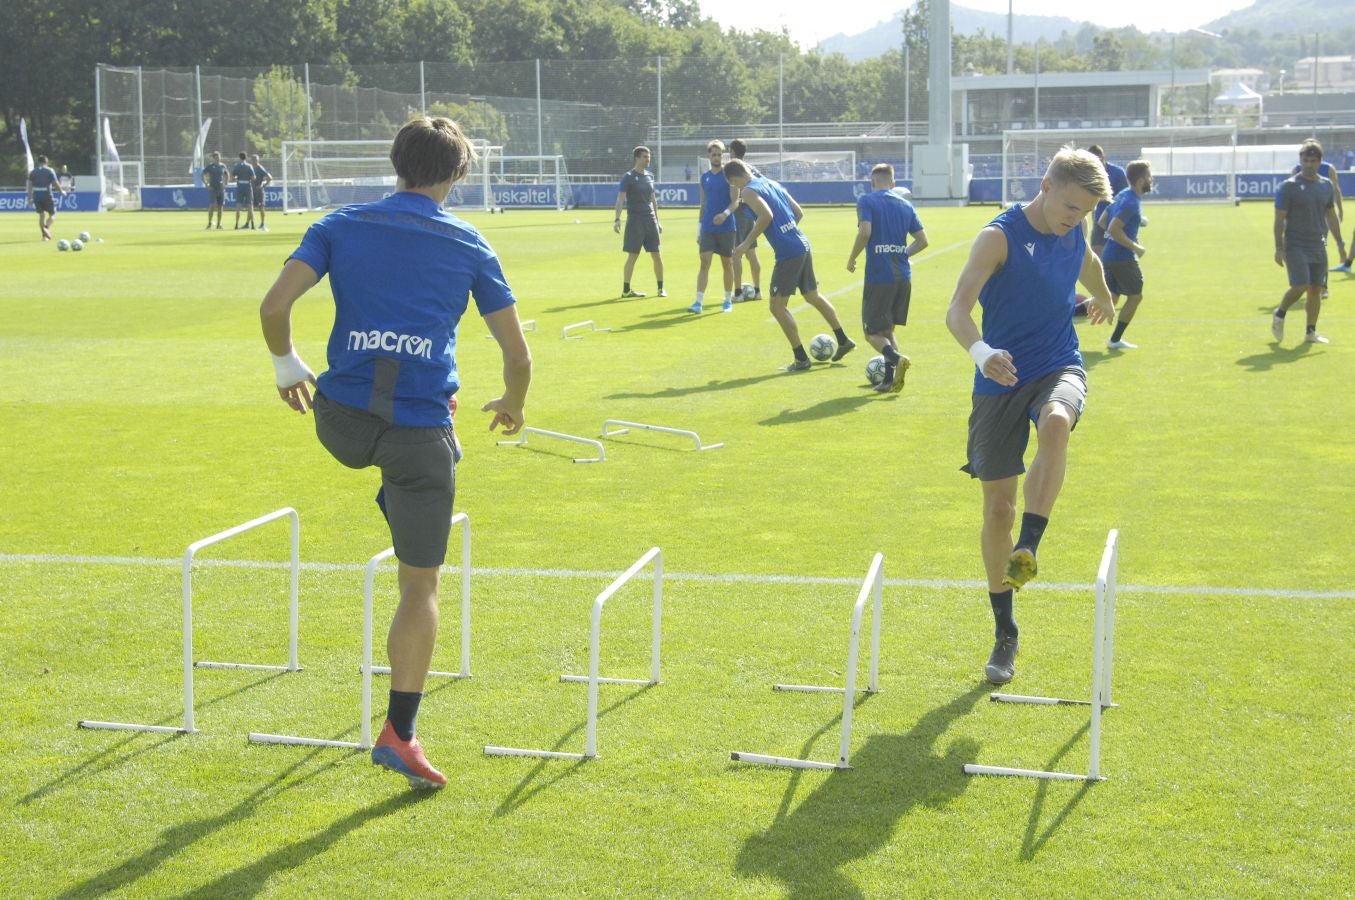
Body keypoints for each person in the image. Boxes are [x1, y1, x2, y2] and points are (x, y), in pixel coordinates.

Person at [259, 115, 533, 790]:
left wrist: (287, 368)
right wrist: (512, 404)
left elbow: (273, 308)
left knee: (402, 441)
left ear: (395, 163)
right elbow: (517, 357)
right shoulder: (469, 243)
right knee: (420, 582)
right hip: (418, 436)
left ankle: (398, 476)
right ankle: (399, 733)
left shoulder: (338, 225)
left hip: (339, 423)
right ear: (456, 174)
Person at [944, 146, 1115, 686]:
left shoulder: (1076, 231)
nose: (1074, 219)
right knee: (997, 510)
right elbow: (957, 311)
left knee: (1057, 422)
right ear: (1045, 185)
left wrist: (1103, 297)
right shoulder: (998, 237)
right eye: (1069, 207)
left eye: (1084, 212)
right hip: (998, 377)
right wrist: (982, 354)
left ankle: (1031, 545)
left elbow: (1089, 262)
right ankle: (1005, 631)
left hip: (1057, 364)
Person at [724, 158, 856, 371]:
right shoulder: (771, 183)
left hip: (788, 252)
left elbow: (766, 215)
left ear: (734, 179)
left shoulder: (748, 191)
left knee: (777, 306)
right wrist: (787, 231)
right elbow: (798, 212)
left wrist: (745, 244)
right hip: (801, 242)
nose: (736, 188)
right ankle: (843, 340)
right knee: (813, 296)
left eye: (733, 184)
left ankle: (801, 359)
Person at [846, 163, 928, 393]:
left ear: (872, 183)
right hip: (903, 276)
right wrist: (903, 252)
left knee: (871, 333)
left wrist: (852, 257)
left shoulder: (867, 200)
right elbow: (923, 240)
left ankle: (896, 357)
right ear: (893, 184)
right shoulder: (905, 204)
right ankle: (889, 381)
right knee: (888, 330)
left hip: (879, 276)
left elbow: (865, 232)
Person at [1271, 139, 1344, 345]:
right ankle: (1280, 313)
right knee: (1300, 284)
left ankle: (1310, 331)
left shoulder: (1325, 185)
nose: (1308, 164)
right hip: (1295, 244)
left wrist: (1340, 243)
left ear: (1320, 161)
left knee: (1316, 289)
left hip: (1318, 244)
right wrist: (1278, 247)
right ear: (1300, 160)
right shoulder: (1289, 186)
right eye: (1305, 160)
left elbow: (1330, 215)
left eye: (1313, 160)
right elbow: (1279, 219)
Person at [1099, 160, 1153, 350]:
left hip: (1109, 255)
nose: (1151, 179)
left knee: (1112, 296)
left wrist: (1124, 236)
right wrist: (1135, 246)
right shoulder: (1131, 202)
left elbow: (1103, 220)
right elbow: (1113, 228)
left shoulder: (1123, 195)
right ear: (1140, 180)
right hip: (1123, 258)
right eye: (1148, 176)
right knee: (1135, 296)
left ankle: (1069, 316)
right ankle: (1114, 340)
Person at [689, 139, 737, 314]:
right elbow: (703, 204)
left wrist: (724, 214)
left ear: (722, 156)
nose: (717, 157)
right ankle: (698, 302)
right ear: (709, 155)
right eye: (714, 154)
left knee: (727, 263)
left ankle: (727, 300)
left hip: (726, 227)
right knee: (704, 262)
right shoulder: (704, 177)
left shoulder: (729, 176)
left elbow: (735, 202)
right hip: (708, 227)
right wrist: (699, 229)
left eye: (719, 154)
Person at [613, 146, 665, 298]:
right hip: (635, 221)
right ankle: (626, 290)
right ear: (637, 158)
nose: (648, 159)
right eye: (645, 157)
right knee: (633, 256)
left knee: (657, 254)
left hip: (651, 220)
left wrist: (658, 220)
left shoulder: (650, 176)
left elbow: (653, 200)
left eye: (648, 157)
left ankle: (661, 288)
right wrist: (617, 219)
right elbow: (620, 199)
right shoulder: (628, 177)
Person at [1292, 154, 1343, 297]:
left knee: (1320, 251)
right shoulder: (1296, 170)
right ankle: (1305, 283)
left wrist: (1340, 209)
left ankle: (1322, 286)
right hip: (1301, 221)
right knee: (1301, 253)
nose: (1309, 163)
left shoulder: (1328, 169)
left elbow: (1336, 190)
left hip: (1321, 219)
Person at [724, 139, 762, 301]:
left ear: (732, 151)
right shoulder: (751, 168)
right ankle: (758, 290)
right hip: (751, 213)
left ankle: (738, 293)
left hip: (739, 213)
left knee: (737, 254)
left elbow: (735, 195)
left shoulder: (734, 170)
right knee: (751, 252)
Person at [1086, 145, 1129, 260]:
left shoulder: (1118, 172)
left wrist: (1106, 198)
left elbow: (1125, 198)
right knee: (1095, 257)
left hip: (1114, 221)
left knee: (1114, 257)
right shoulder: (1089, 175)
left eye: (1097, 160)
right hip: (1099, 221)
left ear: (1103, 157)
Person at [26, 155, 65, 241]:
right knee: (53, 214)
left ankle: (44, 236)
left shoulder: (33, 172)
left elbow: (30, 186)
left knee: (42, 215)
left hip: (36, 195)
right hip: (47, 195)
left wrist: (29, 198)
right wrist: (61, 191)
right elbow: (55, 183)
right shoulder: (49, 170)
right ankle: (46, 228)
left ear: (38, 162)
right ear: (46, 162)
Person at [203, 151, 227, 229]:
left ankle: (219, 224)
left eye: (219, 157)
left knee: (220, 207)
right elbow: (202, 174)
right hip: (213, 188)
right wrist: (206, 184)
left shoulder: (223, 166)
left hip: (221, 189)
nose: (218, 159)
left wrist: (226, 183)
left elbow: (227, 174)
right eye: (216, 157)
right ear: (213, 158)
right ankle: (209, 223)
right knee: (212, 206)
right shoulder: (210, 166)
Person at [233, 152, 256, 230]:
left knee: (238, 206)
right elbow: (253, 177)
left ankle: (236, 224)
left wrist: (237, 178)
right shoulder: (249, 166)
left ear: (239, 158)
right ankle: (252, 225)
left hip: (240, 187)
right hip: (248, 187)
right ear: (246, 158)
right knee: (250, 206)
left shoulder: (237, 166)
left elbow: (233, 177)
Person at [251, 154, 272, 232]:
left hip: (259, 191)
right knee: (250, 207)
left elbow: (270, 177)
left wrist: (263, 185)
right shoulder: (251, 168)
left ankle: (263, 224)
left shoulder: (260, 168)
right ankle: (250, 224)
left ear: (258, 160)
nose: (254, 161)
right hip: (251, 191)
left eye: (255, 160)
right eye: (253, 160)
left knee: (261, 207)